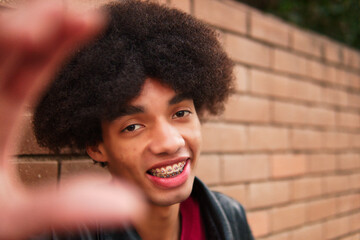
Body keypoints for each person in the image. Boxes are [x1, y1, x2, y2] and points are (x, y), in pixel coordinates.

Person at [1, 0, 254, 239]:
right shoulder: (66, 234)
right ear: (97, 146)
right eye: (133, 126)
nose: (169, 142)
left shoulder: (230, 218)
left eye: (180, 113)